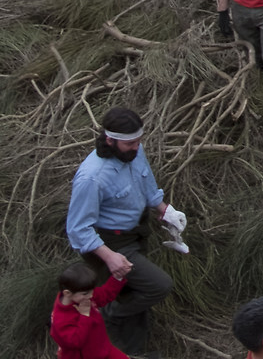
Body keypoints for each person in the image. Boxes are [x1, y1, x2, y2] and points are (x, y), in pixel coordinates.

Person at [64, 107, 177, 356]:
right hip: (109, 244)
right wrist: (109, 257)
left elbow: (146, 183)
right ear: (110, 139)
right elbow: (78, 229)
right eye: (130, 143)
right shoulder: (92, 177)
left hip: (136, 232)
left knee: (134, 298)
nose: (136, 148)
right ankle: (106, 312)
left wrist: (163, 209)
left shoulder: (133, 150)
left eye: (138, 141)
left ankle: (134, 353)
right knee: (158, 285)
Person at [52, 258, 130, 359]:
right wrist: (84, 316)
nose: (91, 295)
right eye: (86, 293)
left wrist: (118, 277)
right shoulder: (61, 318)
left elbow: (104, 294)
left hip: (103, 349)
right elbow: (75, 342)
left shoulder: (83, 296)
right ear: (67, 293)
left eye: (92, 291)